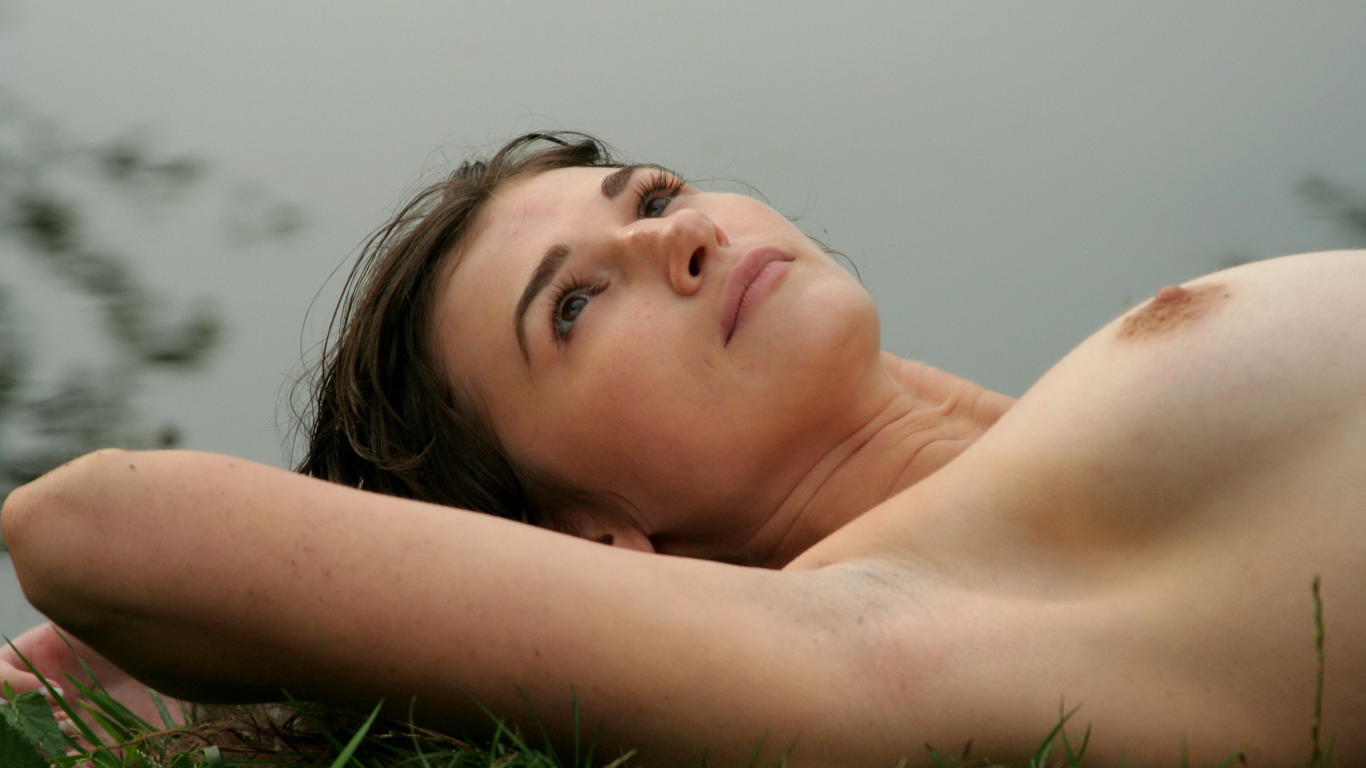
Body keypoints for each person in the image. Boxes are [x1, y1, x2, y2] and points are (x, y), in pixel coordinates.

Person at [2, 132, 1362, 767]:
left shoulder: (1023, 455)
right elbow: (91, 526)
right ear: (594, 545)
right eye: (573, 308)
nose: (682, 235)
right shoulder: (888, 627)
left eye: (650, 195)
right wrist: (279, 645)